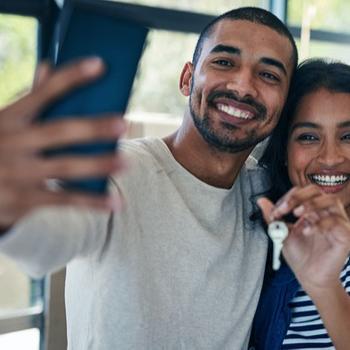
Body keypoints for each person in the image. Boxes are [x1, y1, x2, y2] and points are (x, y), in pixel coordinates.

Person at [0, 7, 297, 349]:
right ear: (187, 79)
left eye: (269, 75)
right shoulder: (118, 170)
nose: (243, 86)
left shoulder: (266, 195)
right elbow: (46, 241)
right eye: (224, 63)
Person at [249, 59, 350, 350]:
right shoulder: (266, 243)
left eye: (348, 136)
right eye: (308, 137)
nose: (330, 158)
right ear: (283, 151)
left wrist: (325, 287)